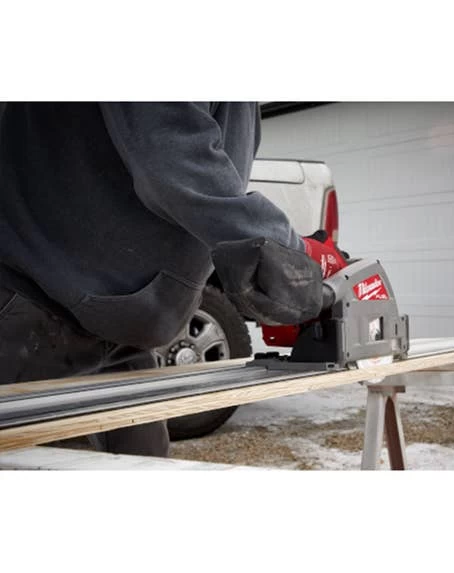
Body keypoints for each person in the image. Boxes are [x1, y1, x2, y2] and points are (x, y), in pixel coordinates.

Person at [0, 102, 346, 457]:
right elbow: (171, 154)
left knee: (142, 465)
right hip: (32, 296)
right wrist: (290, 250)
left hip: (120, 324)